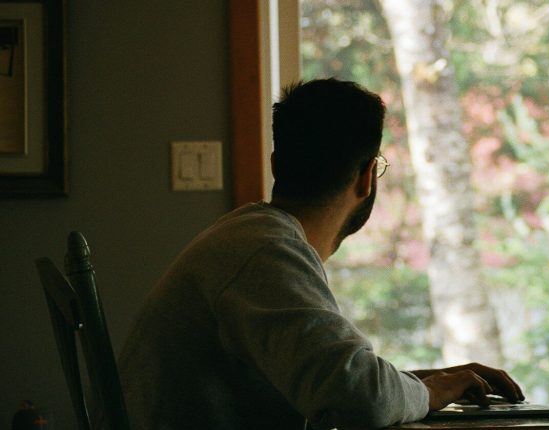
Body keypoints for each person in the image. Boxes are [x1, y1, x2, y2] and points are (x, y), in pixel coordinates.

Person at [118, 78, 524, 430]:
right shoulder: (266, 251)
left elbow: (335, 379)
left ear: (277, 165)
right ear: (366, 177)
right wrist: (428, 391)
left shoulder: (249, 237)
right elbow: (358, 398)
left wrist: (424, 384)